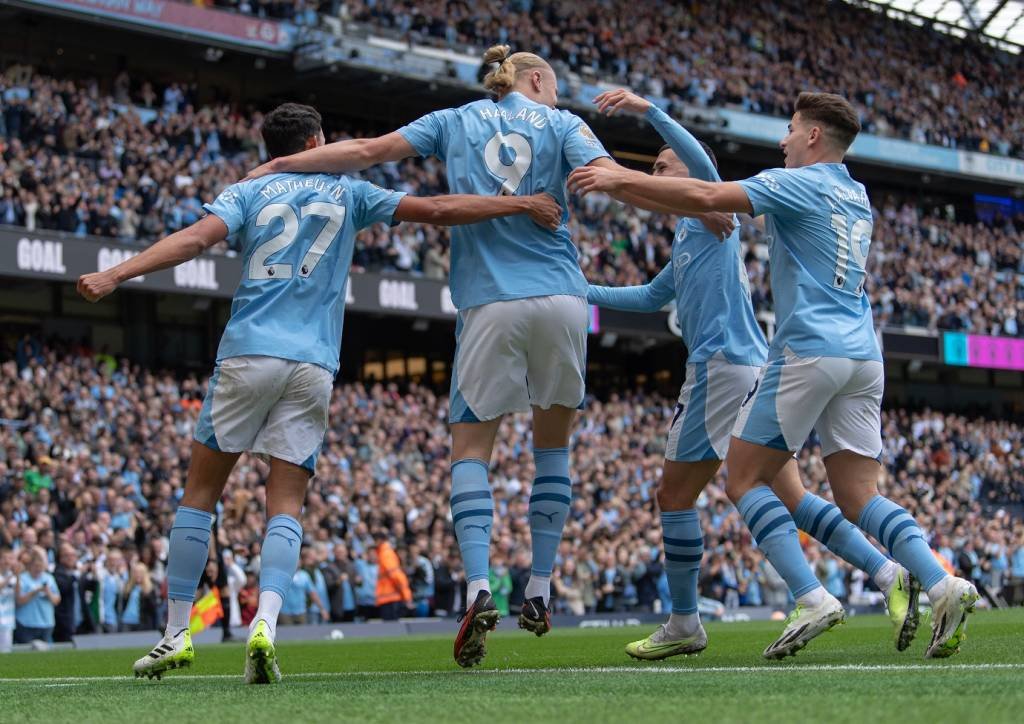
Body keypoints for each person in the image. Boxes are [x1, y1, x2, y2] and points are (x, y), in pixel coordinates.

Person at [247, 45, 732, 668]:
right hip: (563, 296)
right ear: (535, 80)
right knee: (552, 445)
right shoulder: (563, 126)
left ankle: (479, 586)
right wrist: (704, 203)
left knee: (472, 448)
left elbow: (367, 153)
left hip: (489, 301)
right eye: (553, 88)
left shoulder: (452, 119)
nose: (557, 99)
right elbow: (615, 182)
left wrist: (284, 161)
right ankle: (540, 586)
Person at [78, 102, 560, 684]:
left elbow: (192, 241)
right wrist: (521, 202)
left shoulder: (249, 190)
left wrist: (115, 275)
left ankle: (177, 632)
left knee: (200, 494)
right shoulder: (352, 193)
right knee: (286, 504)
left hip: (248, 352)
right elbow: (438, 209)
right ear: (318, 141)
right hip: (312, 366)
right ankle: (267, 625)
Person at [569, 90, 979, 660]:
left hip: (805, 351)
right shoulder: (856, 195)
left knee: (742, 479)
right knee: (858, 496)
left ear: (813, 136)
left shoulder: (797, 183)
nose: (781, 140)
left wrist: (618, 180)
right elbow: (667, 267)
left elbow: (711, 191)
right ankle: (940, 583)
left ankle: (809, 597)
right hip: (864, 355)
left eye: (790, 129)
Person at [14, 547, 60, 644]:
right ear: (30, 566)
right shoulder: (22, 578)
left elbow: (56, 600)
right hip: (26, 623)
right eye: (36, 566)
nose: (38, 569)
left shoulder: (49, 578)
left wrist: (48, 593)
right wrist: (34, 591)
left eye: (40, 566)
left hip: (46, 622)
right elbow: (19, 601)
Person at [1, 549, 17, 653]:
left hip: (8, 619)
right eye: (4, 558)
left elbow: (19, 596)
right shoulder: (11, 576)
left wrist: (18, 576)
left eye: (10, 558)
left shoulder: (14, 577)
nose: (7, 561)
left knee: (6, 652)